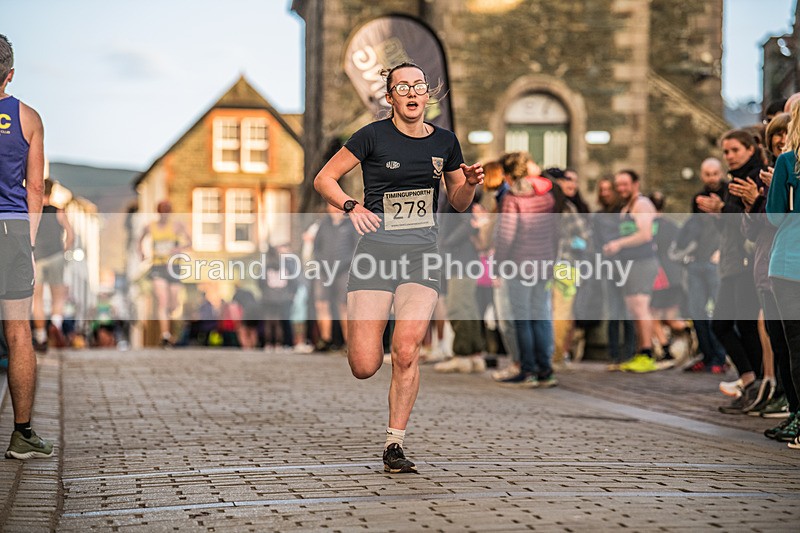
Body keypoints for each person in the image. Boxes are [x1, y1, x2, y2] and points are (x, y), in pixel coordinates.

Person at [313, 62, 483, 473]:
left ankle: (394, 443)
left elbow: (457, 202)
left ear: (428, 95)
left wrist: (471, 183)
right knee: (364, 365)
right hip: (375, 254)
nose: (411, 92)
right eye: (402, 87)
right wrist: (351, 206)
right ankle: (364, 349)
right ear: (389, 97)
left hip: (421, 255)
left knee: (406, 350)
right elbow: (325, 179)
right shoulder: (372, 136)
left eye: (419, 86)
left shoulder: (446, 141)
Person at [0, 34, 53, 459]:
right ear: (10, 74)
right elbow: (35, 186)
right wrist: (28, 238)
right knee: (18, 333)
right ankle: (22, 435)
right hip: (11, 231)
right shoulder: (28, 118)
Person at [697, 130, 764, 413]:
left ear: (750, 149)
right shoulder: (732, 180)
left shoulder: (755, 176)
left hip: (746, 263)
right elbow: (728, 223)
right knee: (724, 324)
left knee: (742, 325)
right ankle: (751, 381)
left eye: (735, 150)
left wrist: (723, 208)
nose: (730, 156)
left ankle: (757, 383)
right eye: (726, 152)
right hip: (732, 261)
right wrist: (718, 212)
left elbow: (751, 220)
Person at [494, 152, 559, 388]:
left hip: (519, 264)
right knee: (541, 317)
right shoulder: (547, 195)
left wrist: (498, 264)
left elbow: (506, 235)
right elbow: (554, 231)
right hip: (544, 263)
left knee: (523, 319)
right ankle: (546, 370)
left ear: (509, 174)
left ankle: (528, 370)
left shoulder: (513, 197)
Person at [671, 158, 727, 374]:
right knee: (697, 311)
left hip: (716, 263)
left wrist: (721, 252)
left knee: (718, 313)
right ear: (702, 175)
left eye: (715, 173)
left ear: (720, 173)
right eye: (707, 174)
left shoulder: (729, 193)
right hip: (696, 263)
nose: (712, 177)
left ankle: (720, 358)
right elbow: (694, 228)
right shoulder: (697, 198)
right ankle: (707, 355)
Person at [766, 100, 800, 449]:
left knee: (795, 344)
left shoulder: (788, 162)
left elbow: (774, 216)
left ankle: (799, 416)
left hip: (790, 261)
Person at [603, 170, 660, 373]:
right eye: (618, 184)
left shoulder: (641, 204)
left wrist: (618, 244)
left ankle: (647, 353)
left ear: (635, 183)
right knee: (634, 308)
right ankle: (639, 353)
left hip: (642, 262)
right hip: (630, 263)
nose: (621, 188)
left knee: (640, 306)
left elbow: (644, 235)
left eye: (625, 184)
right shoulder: (627, 206)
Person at [594, 177, 635, 367]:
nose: (605, 193)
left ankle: (630, 352)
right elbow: (595, 243)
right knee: (613, 311)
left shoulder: (624, 212)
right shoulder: (598, 216)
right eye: (602, 189)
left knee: (628, 311)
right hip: (608, 266)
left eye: (608, 189)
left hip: (627, 264)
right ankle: (613, 354)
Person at [137, 200, 191, 347]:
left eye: (167, 212)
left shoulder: (177, 226)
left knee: (173, 303)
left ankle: (171, 316)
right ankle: (165, 335)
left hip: (174, 267)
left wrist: (179, 248)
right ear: (158, 212)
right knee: (163, 300)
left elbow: (190, 242)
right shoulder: (150, 227)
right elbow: (140, 240)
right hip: (158, 266)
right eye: (162, 212)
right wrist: (141, 252)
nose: (164, 215)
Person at [31, 178, 74, 352]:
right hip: (56, 256)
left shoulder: (32, 211)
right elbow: (71, 236)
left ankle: (41, 337)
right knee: (58, 297)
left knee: (38, 299)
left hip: (37, 258)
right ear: (52, 191)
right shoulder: (58, 211)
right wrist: (63, 251)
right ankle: (56, 324)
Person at [313, 203, 357, 352]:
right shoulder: (323, 224)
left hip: (344, 271)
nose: (334, 209)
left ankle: (349, 343)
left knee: (344, 306)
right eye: (331, 206)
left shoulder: (351, 224)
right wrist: (322, 263)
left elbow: (356, 248)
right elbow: (316, 247)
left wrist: (343, 265)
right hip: (324, 271)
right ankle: (325, 340)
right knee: (321, 304)